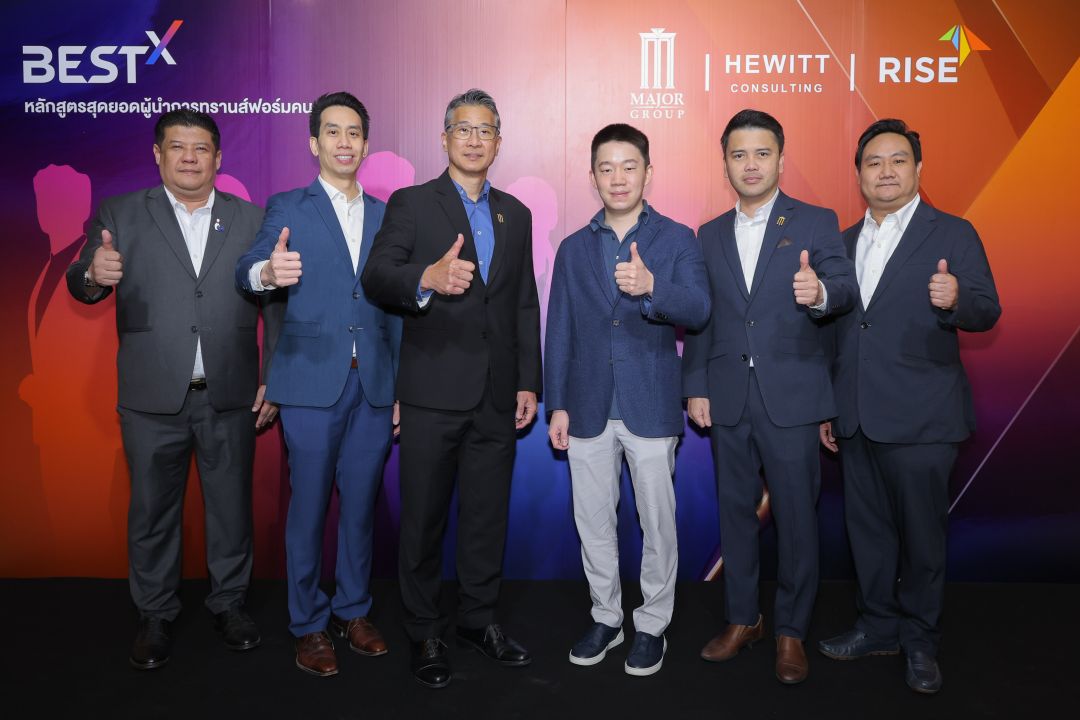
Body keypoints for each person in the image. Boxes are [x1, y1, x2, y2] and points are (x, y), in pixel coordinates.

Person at [66, 109, 283, 669]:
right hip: (151, 395)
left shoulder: (252, 218)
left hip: (230, 392)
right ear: (157, 154)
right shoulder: (120, 213)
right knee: (153, 512)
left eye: (201, 148)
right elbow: (83, 277)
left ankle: (229, 604)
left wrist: (274, 375)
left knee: (230, 510)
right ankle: (156, 614)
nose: (190, 157)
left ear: (218, 157)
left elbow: (274, 305)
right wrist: (93, 273)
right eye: (178, 147)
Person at [361, 88, 542, 688]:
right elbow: (378, 275)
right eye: (463, 129)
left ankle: (477, 620)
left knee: (486, 519)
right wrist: (427, 278)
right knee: (423, 520)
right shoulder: (412, 203)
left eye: (485, 130)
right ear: (444, 138)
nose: (473, 139)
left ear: (498, 142)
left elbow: (522, 302)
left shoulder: (516, 213)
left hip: (497, 394)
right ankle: (424, 630)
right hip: (432, 391)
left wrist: (529, 381)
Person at [817, 119, 1001, 694]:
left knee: (922, 539)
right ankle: (877, 627)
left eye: (898, 160)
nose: (886, 171)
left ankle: (921, 641)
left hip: (924, 418)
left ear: (918, 169)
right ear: (858, 174)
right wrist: (829, 405)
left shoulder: (953, 233)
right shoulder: (842, 241)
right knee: (867, 533)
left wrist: (957, 299)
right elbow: (837, 333)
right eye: (874, 162)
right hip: (855, 416)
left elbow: (987, 309)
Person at [682, 108, 856, 684]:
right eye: (739, 155)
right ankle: (743, 619)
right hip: (728, 396)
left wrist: (820, 290)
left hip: (793, 398)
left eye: (762, 153)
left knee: (797, 519)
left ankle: (790, 632)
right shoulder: (708, 233)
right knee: (735, 515)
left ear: (781, 159)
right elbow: (702, 318)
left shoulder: (816, 221)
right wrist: (696, 386)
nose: (750, 164)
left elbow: (845, 287)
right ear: (725, 164)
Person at [236, 91, 401, 677]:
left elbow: (397, 306)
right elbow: (247, 270)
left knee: (359, 507)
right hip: (308, 382)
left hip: (374, 384)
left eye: (354, 132)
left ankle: (353, 611)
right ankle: (307, 622)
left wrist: (399, 387)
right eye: (332, 131)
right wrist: (267, 271)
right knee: (307, 508)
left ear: (365, 143)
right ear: (314, 142)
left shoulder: (387, 214)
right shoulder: (287, 206)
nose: (344, 142)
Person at [545, 123, 709, 676]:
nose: (618, 178)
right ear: (593, 177)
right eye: (607, 168)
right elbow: (559, 330)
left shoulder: (678, 238)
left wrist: (652, 287)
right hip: (586, 406)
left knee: (657, 523)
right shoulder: (573, 247)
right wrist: (557, 403)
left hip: (651, 403)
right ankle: (606, 616)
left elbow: (699, 310)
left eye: (629, 166)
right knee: (593, 522)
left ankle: (653, 623)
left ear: (648, 172)